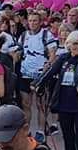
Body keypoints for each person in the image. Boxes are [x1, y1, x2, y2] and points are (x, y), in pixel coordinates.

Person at [18, 12, 58, 143]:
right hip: (25, 74)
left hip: (40, 75)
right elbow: (18, 53)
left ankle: (40, 130)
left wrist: (49, 65)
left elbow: (52, 53)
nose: (33, 23)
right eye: (30, 20)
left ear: (40, 22)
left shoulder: (47, 35)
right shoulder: (23, 35)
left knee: (41, 104)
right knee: (26, 104)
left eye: (35, 20)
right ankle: (26, 131)